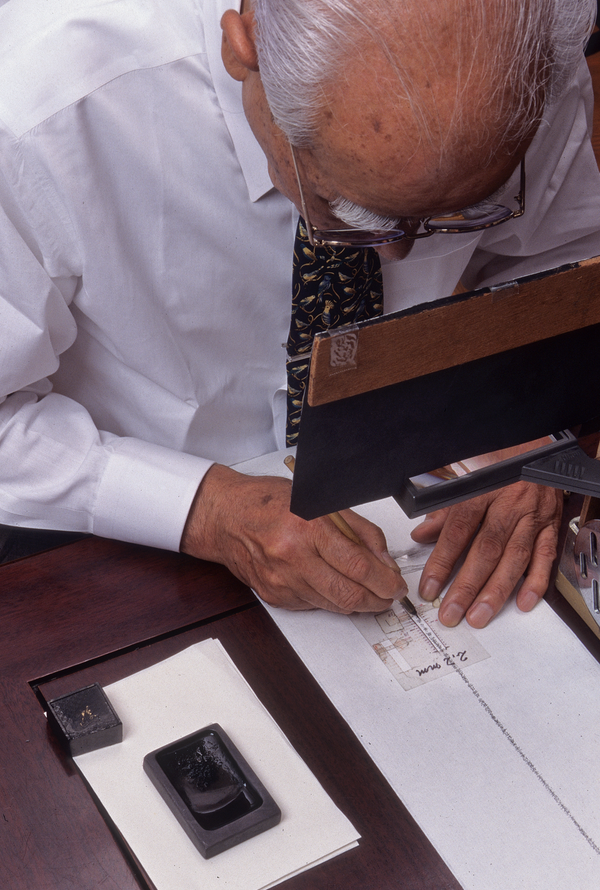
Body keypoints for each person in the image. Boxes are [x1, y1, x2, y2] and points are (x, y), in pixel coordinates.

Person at [0, 0, 599, 628]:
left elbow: (559, 259)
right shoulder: (39, 107)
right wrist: (204, 510)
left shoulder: (529, 43)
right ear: (244, 44)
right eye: (339, 206)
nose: (397, 253)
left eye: (458, 212)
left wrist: (524, 424)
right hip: (109, 540)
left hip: (415, 489)